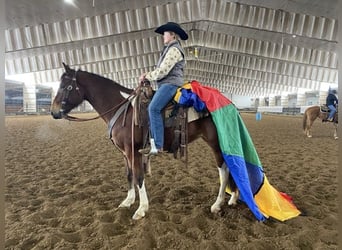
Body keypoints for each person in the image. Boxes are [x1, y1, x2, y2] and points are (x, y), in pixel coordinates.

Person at [138, 22, 188, 155]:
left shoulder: (174, 50)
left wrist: (147, 75)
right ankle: (153, 142)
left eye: (165, 33)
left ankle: (158, 145)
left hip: (170, 84)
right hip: (166, 83)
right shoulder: (169, 49)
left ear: (173, 35)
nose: (163, 36)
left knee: (153, 108)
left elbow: (163, 71)